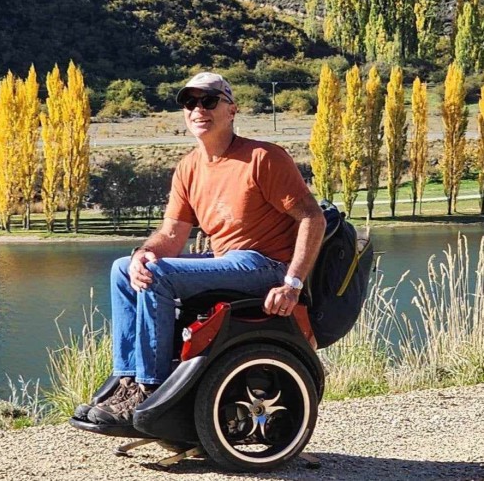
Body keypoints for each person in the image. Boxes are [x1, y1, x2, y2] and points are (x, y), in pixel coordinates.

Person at [77, 72, 326, 426]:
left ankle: (149, 388)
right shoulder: (188, 168)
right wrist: (142, 253)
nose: (198, 109)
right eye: (190, 102)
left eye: (209, 101)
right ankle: (126, 379)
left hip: (265, 265)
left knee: (160, 276)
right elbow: (171, 236)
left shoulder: (263, 158)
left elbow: (313, 218)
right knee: (123, 268)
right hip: (228, 262)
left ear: (231, 110)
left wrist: (293, 283)